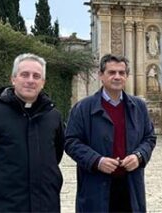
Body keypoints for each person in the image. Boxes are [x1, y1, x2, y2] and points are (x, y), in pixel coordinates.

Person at [0, 53, 65, 213]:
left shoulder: (53, 116)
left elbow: (56, 154)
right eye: (24, 74)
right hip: (8, 204)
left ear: (43, 83)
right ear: (13, 79)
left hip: (46, 203)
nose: (30, 80)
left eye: (36, 76)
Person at [65, 54, 157, 212]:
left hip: (130, 187)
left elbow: (149, 137)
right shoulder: (83, 108)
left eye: (122, 73)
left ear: (127, 76)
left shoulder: (138, 107)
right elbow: (71, 142)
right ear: (101, 75)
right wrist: (97, 161)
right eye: (112, 72)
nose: (117, 77)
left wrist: (139, 156)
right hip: (96, 186)